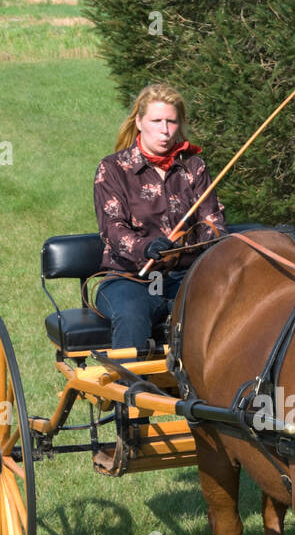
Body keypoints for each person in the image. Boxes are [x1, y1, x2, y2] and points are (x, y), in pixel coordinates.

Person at [93, 82, 227, 354]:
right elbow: (113, 228)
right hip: (128, 279)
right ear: (139, 122)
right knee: (132, 315)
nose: (165, 131)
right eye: (156, 121)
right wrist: (146, 248)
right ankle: (128, 392)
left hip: (187, 277)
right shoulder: (113, 168)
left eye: (171, 122)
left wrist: (202, 244)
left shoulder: (195, 167)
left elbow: (214, 223)